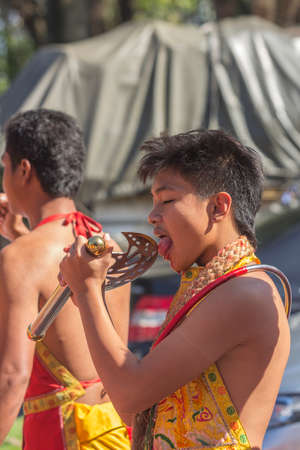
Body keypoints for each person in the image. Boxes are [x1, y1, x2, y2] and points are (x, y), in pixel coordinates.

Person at [59, 129, 291, 450]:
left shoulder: (243, 292)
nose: (153, 217)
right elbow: (136, 406)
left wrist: (87, 291)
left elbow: (130, 397)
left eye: (167, 200)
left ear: (219, 207)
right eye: (153, 203)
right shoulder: (209, 286)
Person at [0, 109, 131, 449]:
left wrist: (21, 245)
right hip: (113, 430)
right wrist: (21, 237)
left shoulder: (20, 257)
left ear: (23, 170)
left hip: (61, 434)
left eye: (5, 166)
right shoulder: (105, 243)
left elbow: (13, 375)